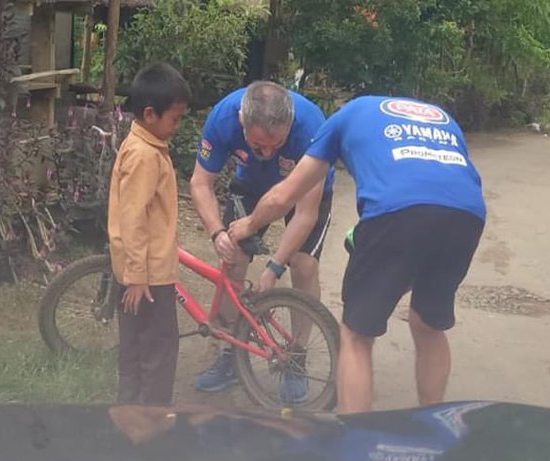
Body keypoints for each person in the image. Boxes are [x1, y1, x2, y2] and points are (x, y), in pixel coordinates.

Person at [228, 96, 487, 414]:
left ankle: (358, 439)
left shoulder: (343, 117)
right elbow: (445, 185)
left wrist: (248, 225)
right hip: (467, 214)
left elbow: (284, 195)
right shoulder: (440, 116)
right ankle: (434, 425)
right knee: (429, 323)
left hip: (394, 211)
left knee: (356, 335)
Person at [189, 81, 336, 400]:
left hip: (304, 189)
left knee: (303, 264)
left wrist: (274, 267)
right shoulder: (224, 118)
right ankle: (231, 351)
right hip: (251, 184)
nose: (268, 153)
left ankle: (296, 357)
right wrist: (217, 232)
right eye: (258, 146)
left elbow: (305, 214)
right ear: (243, 122)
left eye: (277, 144)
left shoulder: (313, 127)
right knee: (233, 257)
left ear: (290, 126)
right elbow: (201, 183)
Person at [107, 63, 191, 406]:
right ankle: (150, 426)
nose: (178, 126)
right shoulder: (144, 155)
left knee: (136, 350)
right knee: (157, 352)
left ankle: (130, 418)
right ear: (150, 114)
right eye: (175, 118)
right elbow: (133, 219)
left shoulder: (144, 145)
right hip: (148, 277)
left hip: (138, 271)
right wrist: (138, 277)